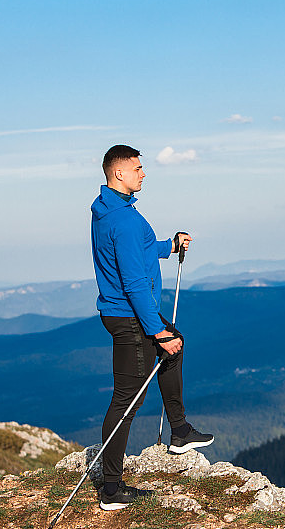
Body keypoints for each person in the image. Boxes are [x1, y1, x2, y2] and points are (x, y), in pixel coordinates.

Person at [90, 144, 214, 511]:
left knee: (176, 344)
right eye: (137, 168)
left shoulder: (109, 210)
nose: (143, 174)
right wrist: (156, 331)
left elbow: (136, 251)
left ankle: (180, 430)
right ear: (119, 173)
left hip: (124, 313)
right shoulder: (124, 219)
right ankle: (111, 488)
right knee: (127, 399)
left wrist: (169, 246)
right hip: (130, 316)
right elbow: (133, 282)